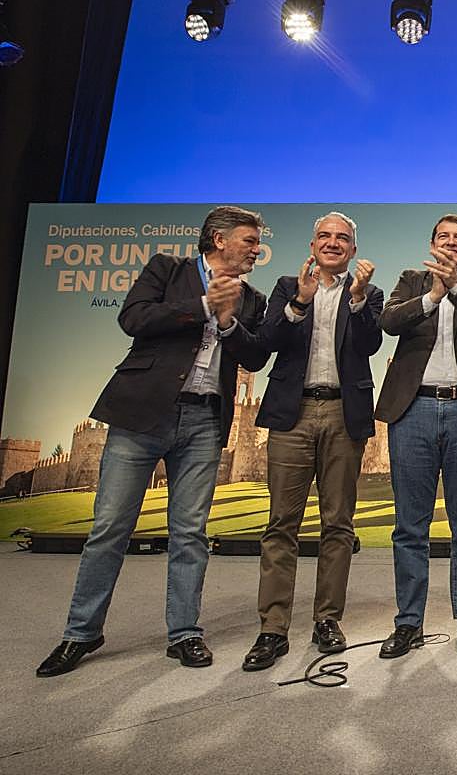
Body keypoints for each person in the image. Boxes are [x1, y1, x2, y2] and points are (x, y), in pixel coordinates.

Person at [36, 206, 269, 677]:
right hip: (142, 415)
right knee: (110, 527)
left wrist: (227, 321)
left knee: (190, 533)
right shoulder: (168, 269)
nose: (255, 249)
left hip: (204, 421)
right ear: (219, 239)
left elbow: (256, 356)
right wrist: (203, 306)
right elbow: (134, 318)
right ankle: (81, 632)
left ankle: (184, 632)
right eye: (249, 240)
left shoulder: (252, 298)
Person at [240, 212, 383, 672]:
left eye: (342, 238)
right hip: (292, 413)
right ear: (313, 244)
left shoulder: (368, 293)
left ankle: (327, 619)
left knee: (338, 523)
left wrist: (357, 300)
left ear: (353, 249)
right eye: (325, 236)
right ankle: (273, 627)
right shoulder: (287, 287)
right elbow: (267, 342)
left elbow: (370, 345)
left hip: (344, 413)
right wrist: (299, 303)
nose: (333, 243)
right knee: (281, 523)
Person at [374, 214, 457, 658]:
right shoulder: (411, 281)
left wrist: (455, 287)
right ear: (432, 244)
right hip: (413, 410)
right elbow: (389, 322)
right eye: (444, 237)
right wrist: (433, 295)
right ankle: (408, 622)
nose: (451, 243)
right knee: (410, 524)